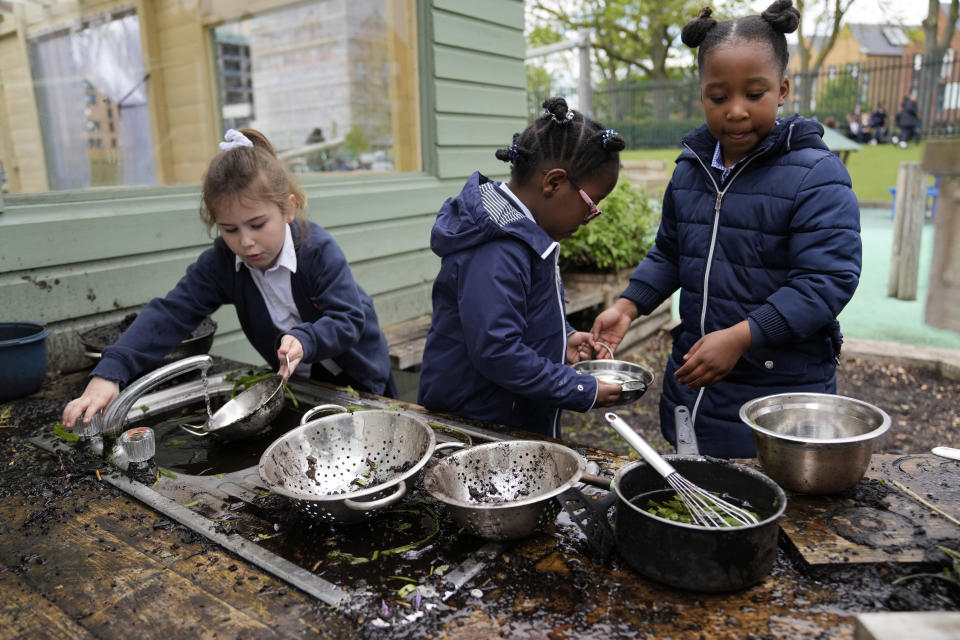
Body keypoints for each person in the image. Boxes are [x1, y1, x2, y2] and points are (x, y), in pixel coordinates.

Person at [590, 0, 862, 458]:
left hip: (777, 390)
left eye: (753, 95)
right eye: (719, 97)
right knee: (695, 487)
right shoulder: (691, 170)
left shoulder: (816, 175)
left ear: (782, 90)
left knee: (766, 502)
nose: (735, 111)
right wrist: (628, 306)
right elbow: (671, 253)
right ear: (702, 96)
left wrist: (741, 336)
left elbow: (826, 281)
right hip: (697, 381)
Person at [63, 128, 396, 429]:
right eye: (230, 229)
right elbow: (172, 312)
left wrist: (306, 339)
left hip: (362, 377)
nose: (245, 242)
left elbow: (349, 319)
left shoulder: (317, 251)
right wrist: (111, 371)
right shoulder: (223, 261)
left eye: (257, 224)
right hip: (300, 383)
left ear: (287, 209)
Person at [417, 98, 625, 438]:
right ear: (554, 183)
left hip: (508, 418)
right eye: (592, 205)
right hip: (479, 428)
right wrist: (580, 388)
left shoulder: (524, 233)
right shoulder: (497, 248)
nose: (590, 219)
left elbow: (521, 310)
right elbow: (498, 350)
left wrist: (565, 338)